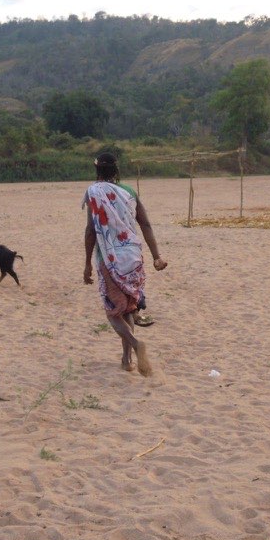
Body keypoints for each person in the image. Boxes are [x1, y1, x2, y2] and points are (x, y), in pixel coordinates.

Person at [82, 152, 167, 375]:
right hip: (134, 257)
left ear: (97, 170)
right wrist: (157, 256)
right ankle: (126, 360)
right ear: (117, 171)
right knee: (128, 308)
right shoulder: (129, 193)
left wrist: (87, 264)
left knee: (113, 312)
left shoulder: (95, 193)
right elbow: (145, 224)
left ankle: (136, 344)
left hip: (110, 258)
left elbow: (91, 231)